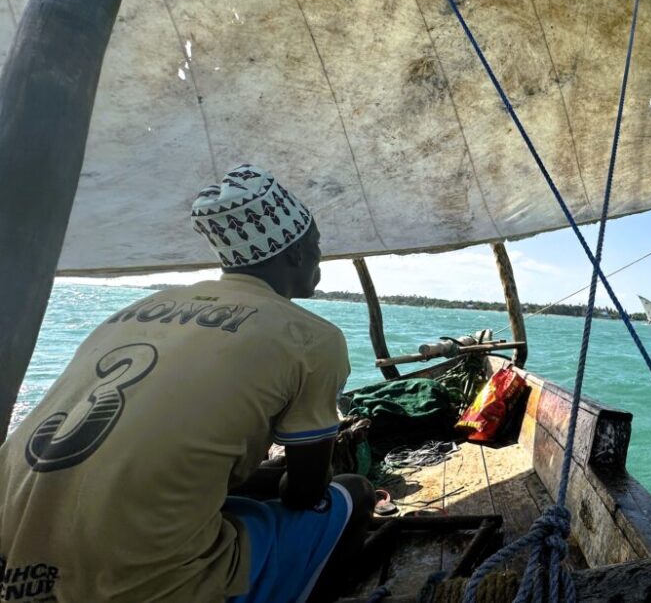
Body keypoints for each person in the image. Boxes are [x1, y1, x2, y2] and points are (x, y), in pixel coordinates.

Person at [0, 164, 374, 603]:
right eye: (315, 247)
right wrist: (290, 476)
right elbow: (305, 492)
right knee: (353, 492)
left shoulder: (141, 308)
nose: (318, 259)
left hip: (18, 562)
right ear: (293, 254)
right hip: (147, 586)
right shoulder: (312, 337)